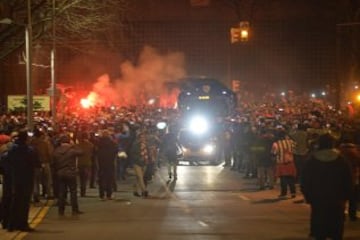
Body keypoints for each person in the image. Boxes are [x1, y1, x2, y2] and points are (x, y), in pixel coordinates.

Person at [301, 133, 353, 240]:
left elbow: (305, 180)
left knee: (319, 226)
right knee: (336, 225)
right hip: (337, 198)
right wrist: (346, 195)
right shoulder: (341, 160)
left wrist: (308, 195)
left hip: (317, 198)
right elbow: (348, 179)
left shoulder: (312, 160)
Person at [3, 130, 40, 232]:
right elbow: (37, 164)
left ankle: (10, 224)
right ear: (26, 139)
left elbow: (5, 162)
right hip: (26, 179)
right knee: (24, 203)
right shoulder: (30, 150)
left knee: (13, 201)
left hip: (13, 178)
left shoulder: (10, 150)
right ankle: (22, 224)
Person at [52, 134, 83, 216]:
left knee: (61, 192)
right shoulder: (72, 150)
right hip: (70, 172)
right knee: (73, 191)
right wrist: (74, 145)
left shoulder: (56, 150)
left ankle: (61, 210)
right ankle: (75, 210)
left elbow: (53, 161)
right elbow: (81, 152)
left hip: (60, 172)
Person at [271, 129, 297, 198]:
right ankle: (293, 192)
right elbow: (295, 147)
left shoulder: (276, 144)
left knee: (283, 179)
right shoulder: (291, 142)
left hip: (281, 163)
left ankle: (284, 193)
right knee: (291, 178)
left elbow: (273, 153)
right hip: (290, 162)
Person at [96, 129, 117, 200]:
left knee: (101, 179)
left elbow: (95, 152)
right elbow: (115, 151)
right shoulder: (112, 143)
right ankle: (109, 194)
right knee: (109, 179)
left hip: (101, 163)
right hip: (110, 163)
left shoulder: (98, 143)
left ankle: (101, 195)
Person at [76, 132, 95, 197]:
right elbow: (93, 154)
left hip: (80, 163)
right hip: (87, 163)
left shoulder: (78, 145)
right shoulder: (91, 145)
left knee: (81, 178)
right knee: (85, 178)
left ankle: (82, 191)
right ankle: (83, 192)